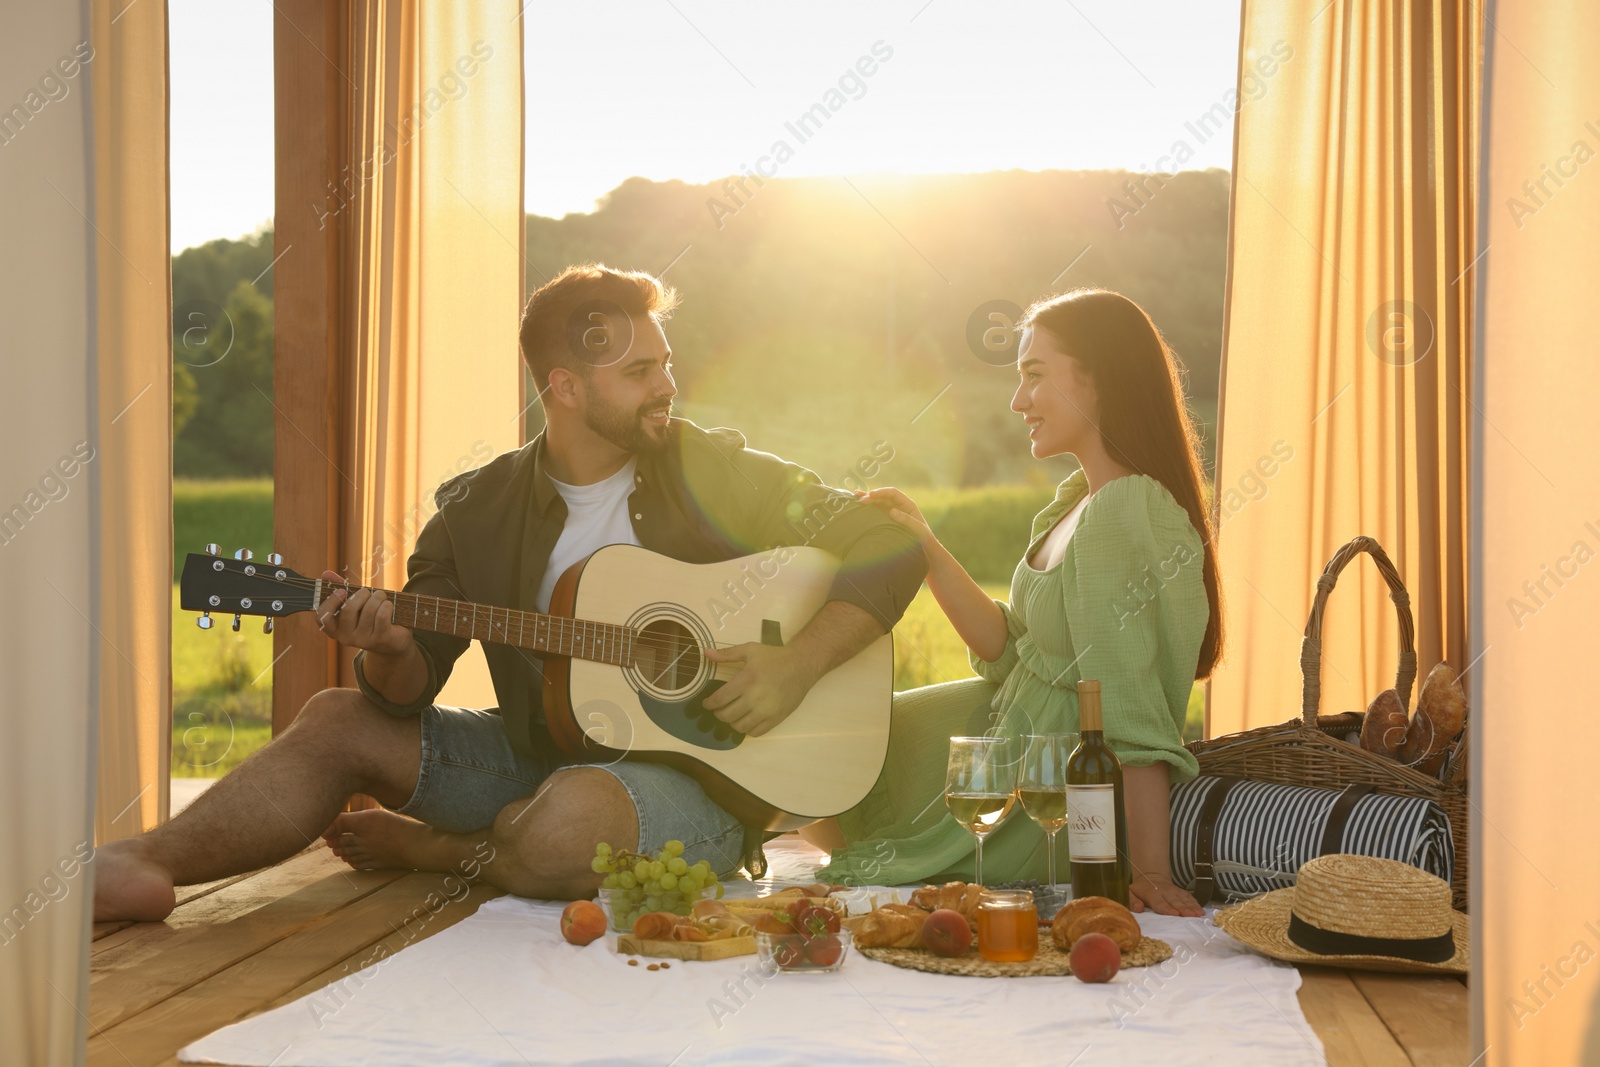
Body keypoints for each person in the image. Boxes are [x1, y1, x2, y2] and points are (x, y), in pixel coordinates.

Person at [93, 264, 926, 922]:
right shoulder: (474, 509)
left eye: (664, 363)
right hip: (537, 754)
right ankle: (144, 862)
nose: (666, 386)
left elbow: (890, 543)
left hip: (702, 787)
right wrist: (384, 647)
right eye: (640, 372)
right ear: (565, 386)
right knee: (333, 719)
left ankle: (437, 851)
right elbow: (408, 684)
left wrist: (794, 665)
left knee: (569, 821)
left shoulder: (708, 465)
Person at [810, 288, 1223, 917]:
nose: (1017, 399)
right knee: (830, 746)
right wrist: (924, 543)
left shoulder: (1124, 509)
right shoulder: (1075, 503)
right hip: (1008, 733)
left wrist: (1152, 873)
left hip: (1048, 793)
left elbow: (1133, 712)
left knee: (854, 829)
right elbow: (1010, 650)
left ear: (1099, 379)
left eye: (1034, 375)